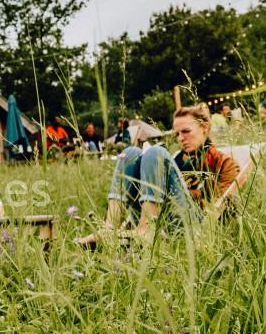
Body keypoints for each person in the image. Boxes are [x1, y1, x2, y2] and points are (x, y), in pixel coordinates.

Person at [79, 103, 241, 245]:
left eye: (186, 131)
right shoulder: (176, 160)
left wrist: (184, 192)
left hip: (192, 225)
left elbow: (219, 206)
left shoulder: (224, 162)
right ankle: (109, 228)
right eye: (177, 134)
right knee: (130, 153)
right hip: (157, 217)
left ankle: (146, 230)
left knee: (155, 152)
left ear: (204, 128)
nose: (181, 138)